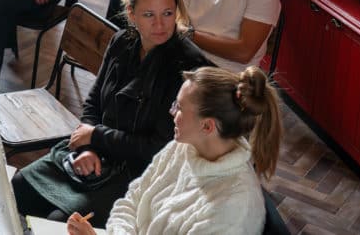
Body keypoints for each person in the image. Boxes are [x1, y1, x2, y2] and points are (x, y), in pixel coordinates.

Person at [12, 0, 211, 227]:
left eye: (168, 13)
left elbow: (159, 148)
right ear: (131, 14)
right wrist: (89, 147)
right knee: (19, 185)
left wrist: (95, 137)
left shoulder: (187, 68)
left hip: (137, 172)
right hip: (96, 153)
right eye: (149, 15)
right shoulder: (122, 41)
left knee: (60, 222)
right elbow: (94, 101)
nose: (161, 24)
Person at [66, 66, 282, 235]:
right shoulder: (183, 147)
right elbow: (132, 200)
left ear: (207, 126)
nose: (171, 112)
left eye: (179, 107)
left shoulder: (232, 208)